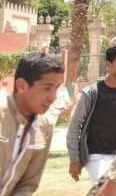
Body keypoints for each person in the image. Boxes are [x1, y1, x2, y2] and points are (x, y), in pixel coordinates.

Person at [67, 44, 116, 185]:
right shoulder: (91, 93)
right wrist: (74, 158)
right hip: (96, 156)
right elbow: (75, 125)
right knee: (103, 190)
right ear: (108, 65)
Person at [1, 53, 64, 195]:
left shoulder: (45, 125)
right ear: (22, 85)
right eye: (47, 88)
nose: (53, 97)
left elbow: (27, 184)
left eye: (57, 88)